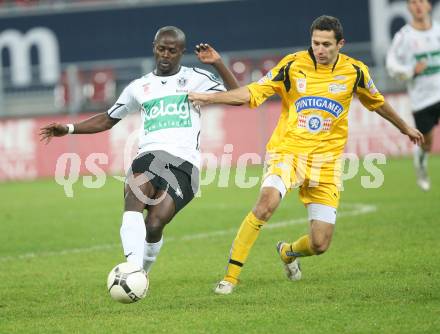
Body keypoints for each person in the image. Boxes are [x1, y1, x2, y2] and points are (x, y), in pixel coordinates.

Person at [189, 15, 424, 295]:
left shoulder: (355, 71)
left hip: (327, 164)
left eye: (326, 44)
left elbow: (378, 104)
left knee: (319, 244)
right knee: (265, 204)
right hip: (288, 153)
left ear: (341, 44)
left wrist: (405, 127)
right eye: (315, 43)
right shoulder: (292, 65)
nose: (320, 50)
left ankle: (288, 252)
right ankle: (230, 277)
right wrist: (208, 97)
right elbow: (250, 94)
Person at [39, 26, 239, 281]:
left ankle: (141, 272)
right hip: (149, 156)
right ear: (154, 47)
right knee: (134, 198)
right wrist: (68, 128)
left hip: (185, 164)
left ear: (181, 52)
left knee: (155, 224)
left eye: (172, 51)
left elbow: (238, 97)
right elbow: (108, 119)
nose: (165, 55)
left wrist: (218, 63)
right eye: (161, 49)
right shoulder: (139, 87)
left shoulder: (196, 78)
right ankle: (133, 270)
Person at [386, 0, 440, 191]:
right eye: (413, 2)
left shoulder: (438, 31)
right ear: (409, 8)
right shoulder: (404, 37)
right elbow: (391, 65)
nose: (418, 6)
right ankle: (421, 162)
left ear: (429, 6)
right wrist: (410, 71)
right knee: (427, 143)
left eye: (421, 2)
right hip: (422, 100)